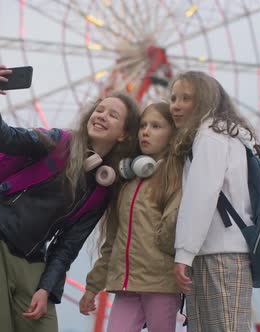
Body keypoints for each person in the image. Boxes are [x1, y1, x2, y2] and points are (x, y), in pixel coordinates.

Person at [0, 64, 140, 332]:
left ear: (125, 133)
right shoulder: (57, 142)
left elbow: (68, 246)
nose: (102, 116)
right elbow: (4, 138)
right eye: (99, 110)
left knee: (43, 326)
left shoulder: (102, 188)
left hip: (33, 254)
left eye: (113, 115)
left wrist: (47, 288)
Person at [169, 71, 260, 332]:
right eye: (173, 97)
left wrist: (184, 253)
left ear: (205, 101)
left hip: (220, 254)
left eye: (186, 98)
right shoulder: (221, 135)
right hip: (212, 251)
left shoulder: (210, 135)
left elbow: (201, 195)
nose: (175, 105)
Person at [79, 102, 184, 332]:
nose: (146, 131)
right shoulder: (126, 184)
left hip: (161, 285)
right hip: (126, 285)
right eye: (143, 125)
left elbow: (174, 232)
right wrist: (92, 286)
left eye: (156, 126)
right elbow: (113, 240)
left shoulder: (175, 180)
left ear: (172, 134)